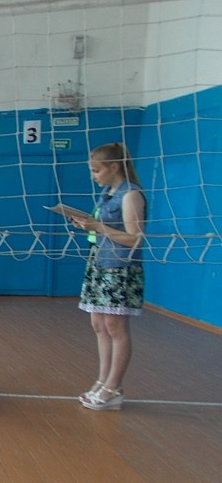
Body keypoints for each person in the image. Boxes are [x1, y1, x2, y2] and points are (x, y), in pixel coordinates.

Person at [68, 142, 146, 411]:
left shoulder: (131, 195)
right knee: (99, 325)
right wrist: (88, 225)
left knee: (115, 327)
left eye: (96, 170)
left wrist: (98, 226)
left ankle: (114, 387)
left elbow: (134, 239)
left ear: (114, 167)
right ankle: (102, 381)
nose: (93, 176)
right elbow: (102, 229)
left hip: (119, 268)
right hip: (99, 263)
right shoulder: (107, 194)